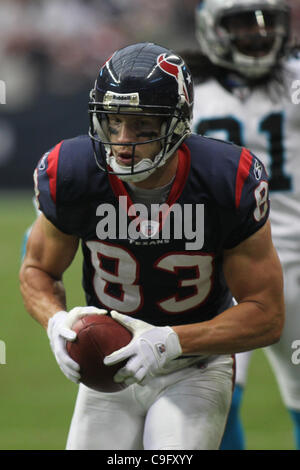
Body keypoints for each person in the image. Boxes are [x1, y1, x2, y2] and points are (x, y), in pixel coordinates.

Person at [19, 42, 284, 450]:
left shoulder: (225, 180)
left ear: (178, 124)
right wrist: (55, 321)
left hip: (193, 365)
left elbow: (266, 315)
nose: (123, 142)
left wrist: (171, 341)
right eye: (113, 123)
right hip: (109, 367)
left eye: (143, 127)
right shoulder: (72, 171)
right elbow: (38, 270)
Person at [185, 0, 300, 450]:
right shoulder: (187, 85)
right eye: (241, 24)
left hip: (289, 254)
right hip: (218, 260)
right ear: (213, 28)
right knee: (214, 398)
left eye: (265, 23)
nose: (257, 34)